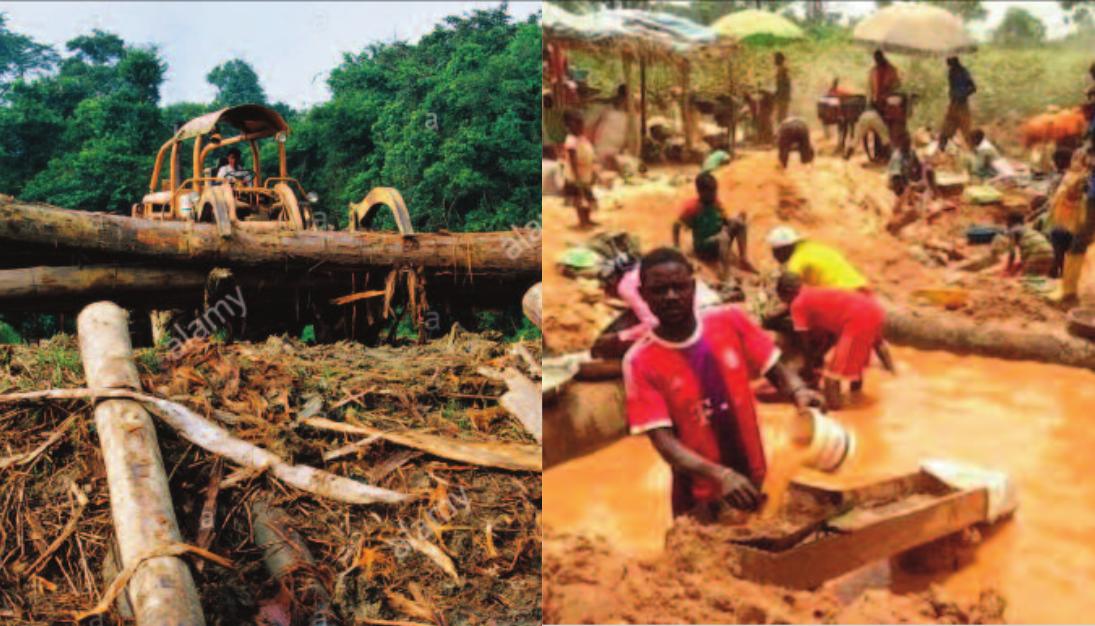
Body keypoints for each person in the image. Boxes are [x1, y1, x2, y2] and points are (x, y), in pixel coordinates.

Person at [623, 248, 823, 519]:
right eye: (660, 290)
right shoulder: (639, 361)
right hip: (699, 498)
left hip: (755, 478)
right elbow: (665, 443)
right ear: (644, 294)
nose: (671, 296)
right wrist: (720, 476)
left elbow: (777, 371)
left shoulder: (730, 320)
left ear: (692, 287)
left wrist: (799, 392)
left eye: (679, 287)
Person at [776, 272, 893, 409]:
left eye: (783, 299)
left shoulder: (798, 303)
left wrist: (809, 365)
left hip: (857, 319)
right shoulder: (813, 291)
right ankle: (861, 393)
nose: (785, 304)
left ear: (788, 293)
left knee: (831, 377)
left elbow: (804, 341)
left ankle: (835, 412)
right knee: (856, 365)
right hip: (873, 310)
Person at [673, 171, 756, 278]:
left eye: (715, 191)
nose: (714, 194)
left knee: (739, 223)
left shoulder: (715, 202)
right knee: (723, 238)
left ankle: (743, 259)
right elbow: (676, 225)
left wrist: (735, 220)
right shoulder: (692, 207)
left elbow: (724, 220)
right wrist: (676, 247)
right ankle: (725, 274)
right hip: (704, 246)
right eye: (711, 192)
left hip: (718, 240)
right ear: (700, 192)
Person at [766, 225, 868, 290]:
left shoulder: (797, 262)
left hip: (844, 296)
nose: (774, 255)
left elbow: (794, 297)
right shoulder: (814, 247)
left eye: (775, 251)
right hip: (862, 288)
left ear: (783, 249)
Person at [563, 109, 598, 229]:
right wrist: (576, 176)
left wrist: (593, 171)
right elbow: (572, 160)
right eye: (576, 123)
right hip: (576, 175)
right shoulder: (571, 140)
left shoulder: (583, 138)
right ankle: (582, 222)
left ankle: (588, 219)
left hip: (585, 173)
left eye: (581, 123)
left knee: (588, 198)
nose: (580, 126)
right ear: (568, 125)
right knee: (579, 199)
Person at [996, 211, 1055, 277]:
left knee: (1027, 279)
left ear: (1010, 222)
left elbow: (1012, 254)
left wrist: (1007, 269)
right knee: (1038, 278)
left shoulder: (1013, 231)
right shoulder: (1029, 230)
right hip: (1050, 253)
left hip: (1037, 253)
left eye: (1006, 221)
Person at [939, 56, 976, 151]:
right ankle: (941, 151)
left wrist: (961, 95)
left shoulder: (963, 72)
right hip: (954, 104)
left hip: (962, 105)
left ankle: (974, 153)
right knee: (946, 130)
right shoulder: (952, 71)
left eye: (949, 60)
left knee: (966, 132)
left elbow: (972, 88)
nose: (947, 62)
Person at [774, 51, 791, 124]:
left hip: (783, 96)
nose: (774, 61)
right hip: (783, 96)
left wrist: (778, 94)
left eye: (776, 59)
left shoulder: (782, 70)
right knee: (781, 116)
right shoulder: (781, 69)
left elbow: (784, 84)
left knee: (781, 116)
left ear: (780, 60)